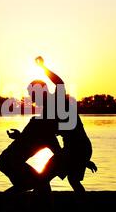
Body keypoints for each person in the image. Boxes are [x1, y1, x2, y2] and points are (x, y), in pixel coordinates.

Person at [33, 56, 97, 194]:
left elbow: (59, 83)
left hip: (78, 148)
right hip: (74, 149)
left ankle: (46, 207)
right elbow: (40, 134)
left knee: (46, 177)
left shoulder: (58, 99)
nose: (32, 101)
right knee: (71, 179)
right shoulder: (46, 112)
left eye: (33, 96)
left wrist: (43, 67)